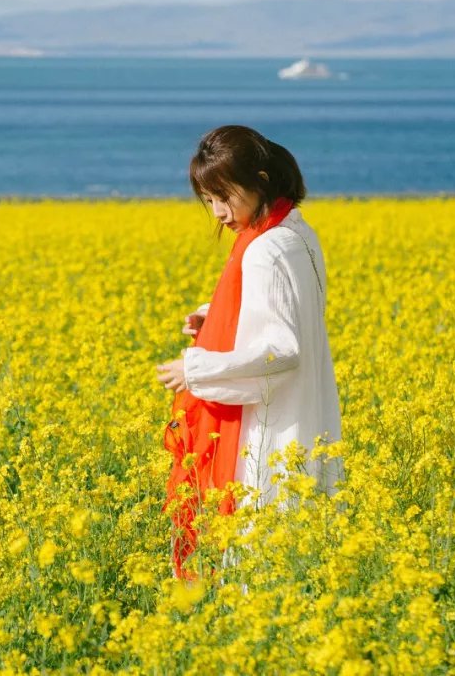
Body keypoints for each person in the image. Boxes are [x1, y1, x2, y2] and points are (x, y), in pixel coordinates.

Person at [155, 125, 344, 581]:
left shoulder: (265, 250)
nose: (219, 212)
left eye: (226, 196)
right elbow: (286, 309)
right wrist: (213, 317)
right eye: (209, 200)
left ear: (260, 180)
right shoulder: (297, 231)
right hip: (309, 416)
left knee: (259, 560)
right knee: (303, 557)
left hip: (271, 430)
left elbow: (282, 349)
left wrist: (195, 368)